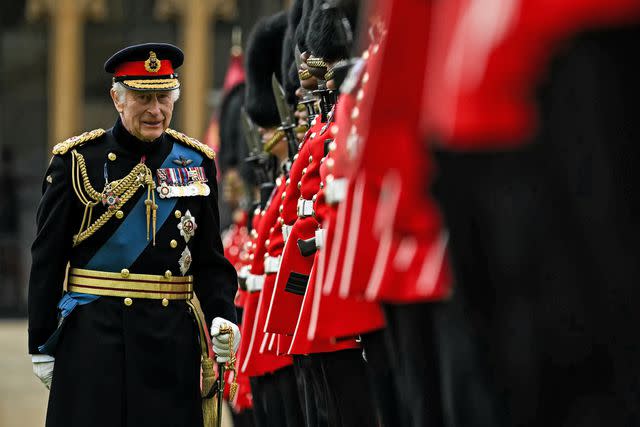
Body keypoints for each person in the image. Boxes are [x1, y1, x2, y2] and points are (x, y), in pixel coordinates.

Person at [28, 43, 240, 427]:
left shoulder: (195, 162)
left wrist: (224, 316)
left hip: (170, 345)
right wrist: (40, 343)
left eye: (163, 97)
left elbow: (210, 260)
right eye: (143, 97)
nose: (155, 110)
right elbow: (47, 258)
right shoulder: (77, 161)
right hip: (94, 342)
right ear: (117, 99)